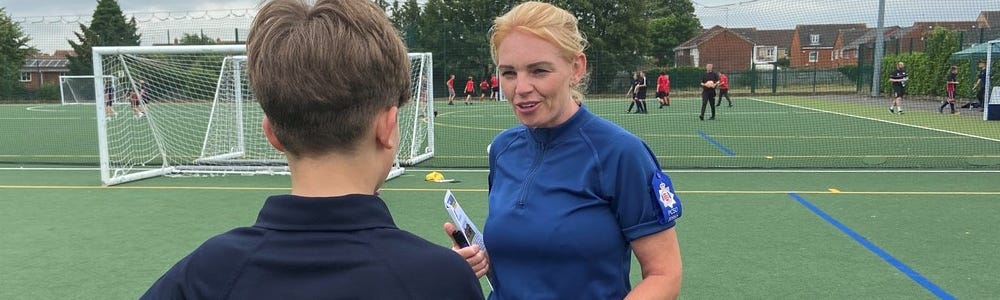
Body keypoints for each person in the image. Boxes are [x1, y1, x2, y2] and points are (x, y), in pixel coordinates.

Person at [140, 0, 484, 299]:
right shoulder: (443, 280)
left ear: (272, 134)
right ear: (388, 127)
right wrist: (435, 273)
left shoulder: (205, 273)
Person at [445, 2, 683, 299]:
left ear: (576, 68)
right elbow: (529, 259)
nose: (521, 88)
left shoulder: (621, 154)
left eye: (539, 71)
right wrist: (481, 259)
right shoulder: (503, 150)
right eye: (508, 73)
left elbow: (665, 274)